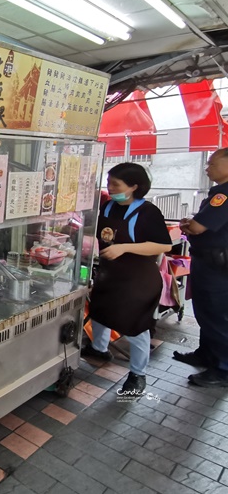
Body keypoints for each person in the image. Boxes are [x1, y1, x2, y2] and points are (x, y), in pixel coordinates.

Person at [82, 163, 172, 395]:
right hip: (110, 274)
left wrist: (124, 248)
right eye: (109, 182)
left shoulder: (148, 212)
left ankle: (137, 375)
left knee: (135, 326)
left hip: (138, 280)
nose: (110, 188)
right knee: (100, 312)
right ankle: (99, 348)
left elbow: (164, 244)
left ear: (134, 186)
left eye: (116, 184)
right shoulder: (109, 207)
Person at [177, 148, 228, 387]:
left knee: (216, 314)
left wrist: (189, 226)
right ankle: (207, 354)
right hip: (208, 261)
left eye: (212, 163)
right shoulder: (218, 193)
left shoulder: (225, 195)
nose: (207, 168)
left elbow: (198, 228)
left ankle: (223, 368)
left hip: (215, 265)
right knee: (205, 312)